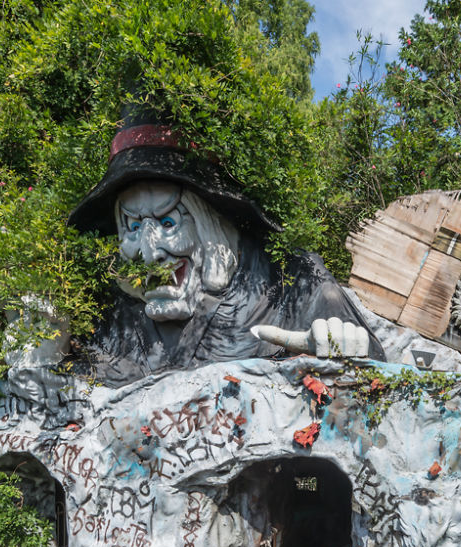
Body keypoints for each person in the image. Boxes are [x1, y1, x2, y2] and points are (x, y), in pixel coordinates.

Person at [68, 116, 382, 386]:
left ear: (210, 221)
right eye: (134, 227)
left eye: (168, 222)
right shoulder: (107, 312)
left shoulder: (293, 285)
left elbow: (380, 385)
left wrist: (347, 352)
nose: (150, 255)